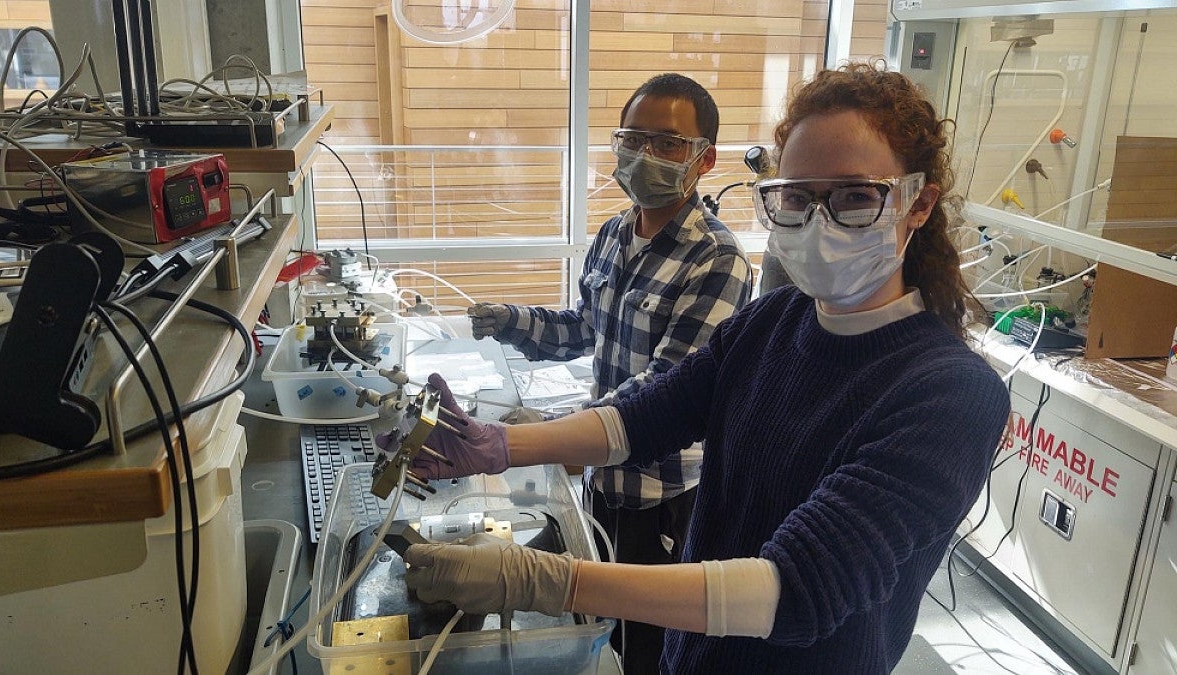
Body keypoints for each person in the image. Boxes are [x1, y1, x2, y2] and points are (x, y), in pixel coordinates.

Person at [404, 62, 1011, 673]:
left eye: (855, 197)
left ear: (918, 203)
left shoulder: (952, 394)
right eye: (797, 197)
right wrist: (498, 446)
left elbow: (794, 592)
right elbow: (648, 416)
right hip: (692, 656)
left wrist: (542, 582)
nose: (819, 222)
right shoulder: (775, 320)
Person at [465, 74, 753, 672]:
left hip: (664, 503)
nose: (646, 156)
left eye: (669, 143)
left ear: (706, 159)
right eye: (633, 138)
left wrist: (551, 430)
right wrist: (511, 319)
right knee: (597, 637)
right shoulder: (616, 232)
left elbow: (663, 395)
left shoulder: (717, 261)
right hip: (601, 487)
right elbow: (581, 327)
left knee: (646, 651)